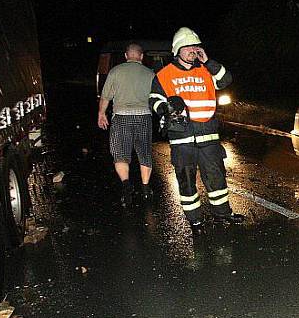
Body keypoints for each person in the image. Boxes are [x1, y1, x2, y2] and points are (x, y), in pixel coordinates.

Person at [149, 27, 244, 228]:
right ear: (177, 50)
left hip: (208, 135)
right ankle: (195, 220)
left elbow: (226, 80)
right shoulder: (165, 74)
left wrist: (207, 61)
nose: (193, 50)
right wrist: (166, 109)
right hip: (182, 138)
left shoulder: (206, 70)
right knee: (186, 181)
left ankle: (223, 213)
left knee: (217, 178)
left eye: (195, 46)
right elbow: (154, 99)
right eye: (188, 47)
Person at [98, 42, 155, 206]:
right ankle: (145, 189)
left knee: (120, 154)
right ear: (141, 56)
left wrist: (101, 114)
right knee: (144, 154)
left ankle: (126, 186)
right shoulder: (149, 73)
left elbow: (106, 96)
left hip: (121, 117)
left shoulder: (115, 71)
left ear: (125, 56)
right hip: (144, 117)